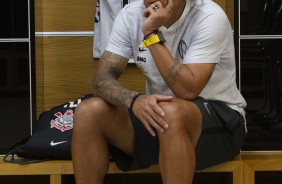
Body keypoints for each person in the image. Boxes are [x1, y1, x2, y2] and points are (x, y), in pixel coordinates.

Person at [71, 0, 247, 183]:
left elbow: (187, 90)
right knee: (88, 112)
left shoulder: (209, 15)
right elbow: (101, 81)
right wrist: (134, 100)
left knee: (168, 114)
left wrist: (150, 34)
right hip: (162, 119)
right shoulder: (130, 14)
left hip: (222, 120)